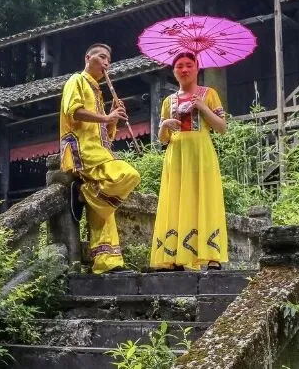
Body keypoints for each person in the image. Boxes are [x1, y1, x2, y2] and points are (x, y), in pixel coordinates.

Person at [60, 43, 141, 274]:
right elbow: (73, 112)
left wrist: (113, 118)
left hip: (99, 150)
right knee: (128, 175)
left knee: (104, 204)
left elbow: (106, 134)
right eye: (102, 57)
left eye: (109, 60)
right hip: (81, 148)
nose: (106, 63)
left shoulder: (98, 92)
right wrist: (107, 117)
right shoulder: (76, 80)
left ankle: (107, 262)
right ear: (88, 57)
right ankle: (82, 192)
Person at [151, 51, 228, 271]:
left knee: (205, 198)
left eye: (189, 65)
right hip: (176, 155)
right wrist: (165, 125)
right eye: (179, 66)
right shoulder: (168, 101)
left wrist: (203, 108)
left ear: (197, 68)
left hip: (201, 153)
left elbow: (221, 128)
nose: (184, 69)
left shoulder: (209, 94)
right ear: (174, 71)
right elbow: (163, 139)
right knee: (175, 199)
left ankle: (211, 256)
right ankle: (174, 256)